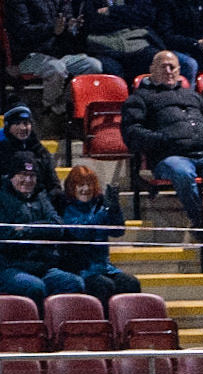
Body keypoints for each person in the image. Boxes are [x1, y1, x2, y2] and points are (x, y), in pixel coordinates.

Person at [121, 51, 203, 229]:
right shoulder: (139, 98)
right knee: (182, 173)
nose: (169, 71)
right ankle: (199, 221)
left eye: (173, 67)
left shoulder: (193, 96)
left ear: (179, 71)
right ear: (151, 69)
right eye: (163, 66)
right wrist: (163, 140)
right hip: (169, 158)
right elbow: (132, 132)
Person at [0, 154, 86, 304]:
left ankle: (59, 326)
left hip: (44, 266)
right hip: (11, 267)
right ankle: (36, 327)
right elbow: (6, 235)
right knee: (35, 287)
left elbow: (58, 227)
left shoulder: (41, 196)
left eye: (32, 176)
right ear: (12, 176)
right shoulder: (2, 198)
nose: (28, 180)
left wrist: (26, 229)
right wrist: (40, 230)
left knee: (75, 283)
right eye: (23, 175)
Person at [54, 165, 141, 310]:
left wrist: (115, 209)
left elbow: (117, 232)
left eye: (89, 184)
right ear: (72, 187)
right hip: (80, 269)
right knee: (103, 285)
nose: (86, 189)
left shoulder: (99, 205)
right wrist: (104, 212)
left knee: (131, 283)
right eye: (80, 185)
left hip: (104, 267)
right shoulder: (67, 210)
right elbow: (82, 233)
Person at [4, 0, 104, 123]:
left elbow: (65, 22)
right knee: (57, 69)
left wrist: (72, 26)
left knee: (93, 66)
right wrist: (51, 29)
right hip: (28, 56)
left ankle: (57, 108)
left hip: (57, 54)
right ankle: (47, 108)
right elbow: (22, 33)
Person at [0, 106, 64, 204]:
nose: (22, 128)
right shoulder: (2, 151)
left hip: (39, 204)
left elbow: (53, 183)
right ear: (8, 127)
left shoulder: (40, 152)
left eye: (26, 123)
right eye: (17, 123)